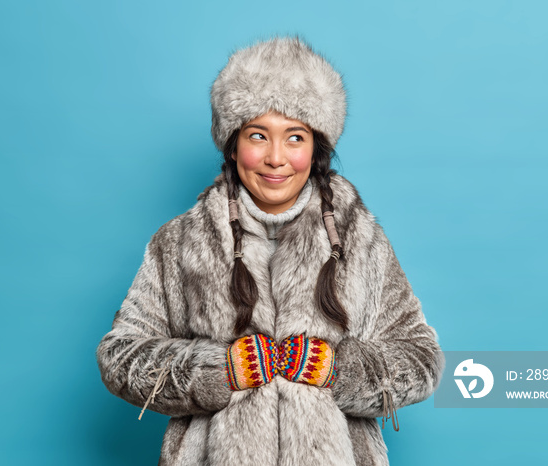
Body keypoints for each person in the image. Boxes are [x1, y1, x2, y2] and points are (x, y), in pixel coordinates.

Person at [96, 36, 444, 465]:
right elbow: (120, 354)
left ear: (316, 147)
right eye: (258, 135)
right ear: (233, 144)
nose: (275, 158)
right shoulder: (179, 242)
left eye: (294, 137)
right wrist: (216, 371)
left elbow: (421, 357)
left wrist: (339, 371)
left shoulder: (362, 241)